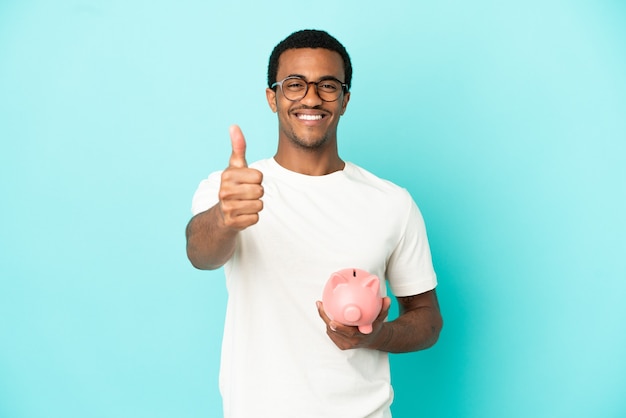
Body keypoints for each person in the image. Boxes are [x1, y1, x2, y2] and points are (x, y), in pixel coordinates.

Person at [186, 29, 443, 418]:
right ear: (272, 97)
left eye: (327, 85)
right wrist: (226, 216)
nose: (310, 97)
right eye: (294, 85)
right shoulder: (234, 189)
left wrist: (375, 336)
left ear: (345, 100)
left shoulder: (392, 202)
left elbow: (428, 320)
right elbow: (199, 253)